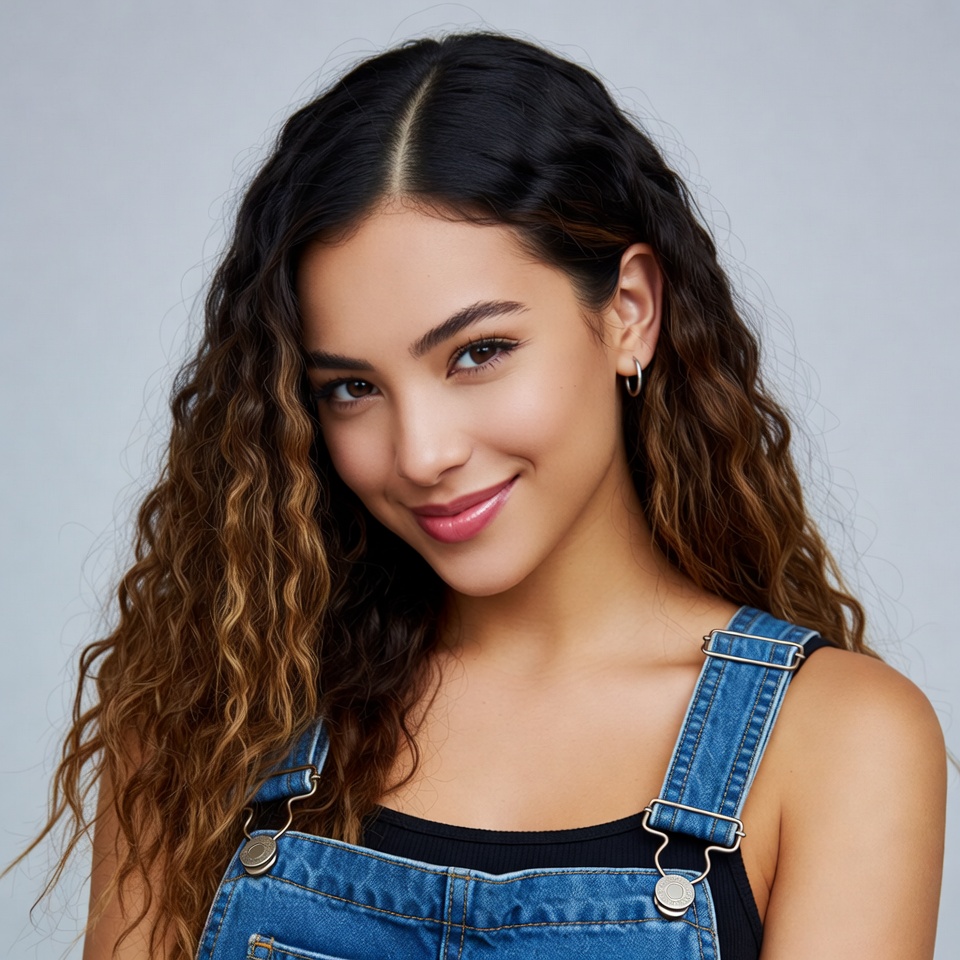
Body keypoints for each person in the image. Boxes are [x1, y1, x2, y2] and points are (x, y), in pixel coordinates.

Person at [30, 31, 945, 959]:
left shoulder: (837, 742)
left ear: (629, 312)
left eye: (478, 353)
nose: (423, 453)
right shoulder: (212, 705)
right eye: (352, 387)